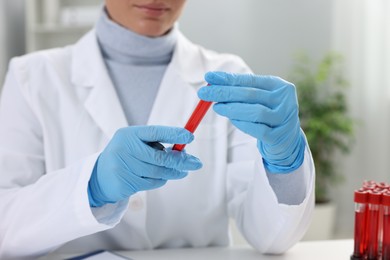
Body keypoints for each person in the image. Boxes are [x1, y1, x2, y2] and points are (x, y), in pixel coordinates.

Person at [0, 0, 315, 258]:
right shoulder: (31, 77)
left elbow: (273, 238)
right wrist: (92, 186)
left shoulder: (227, 74)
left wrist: (285, 160)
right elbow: (6, 225)